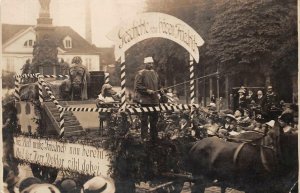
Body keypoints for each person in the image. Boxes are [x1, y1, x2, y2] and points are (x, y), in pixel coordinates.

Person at [134, 56, 160, 142]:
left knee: (154, 121)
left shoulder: (155, 73)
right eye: (149, 63)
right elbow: (138, 86)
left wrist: (161, 90)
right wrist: (147, 90)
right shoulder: (141, 73)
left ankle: (154, 138)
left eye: (152, 63)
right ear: (145, 64)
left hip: (154, 101)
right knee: (144, 120)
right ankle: (144, 137)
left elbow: (158, 85)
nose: (151, 65)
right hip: (145, 101)